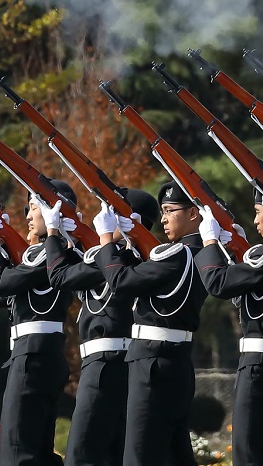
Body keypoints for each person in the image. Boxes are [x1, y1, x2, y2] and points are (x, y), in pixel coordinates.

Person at [95, 182, 209, 466]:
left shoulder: (175, 255)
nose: (164, 218)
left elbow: (121, 282)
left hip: (152, 362)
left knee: (140, 455)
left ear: (193, 213)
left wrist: (106, 239)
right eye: (162, 212)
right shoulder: (203, 254)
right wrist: (133, 238)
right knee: (175, 454)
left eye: (170, 211)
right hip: (177, 361)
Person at [45, 189, 157, 466]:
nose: (104, 217)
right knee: (112, 453)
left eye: (113, 212)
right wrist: (73, 237)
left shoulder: (122, 258)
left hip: (106, 364)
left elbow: (60, 275)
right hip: (118, 362)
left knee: (81, 454)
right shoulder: (124, 257)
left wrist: (52, 234)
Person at [196, 182, 263, 466]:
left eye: (259, 212)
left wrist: (208, 243)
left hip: (259, 368)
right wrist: (232, 249)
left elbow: (218, 283)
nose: (255, 220)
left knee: (248, 457)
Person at [0, 179, 75, 466]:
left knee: (17, 453)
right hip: (35, 354)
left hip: (33, 356)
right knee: (35, 452)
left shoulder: (51, 253)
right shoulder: (47, 254)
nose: (27, 217)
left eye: (33, 208)